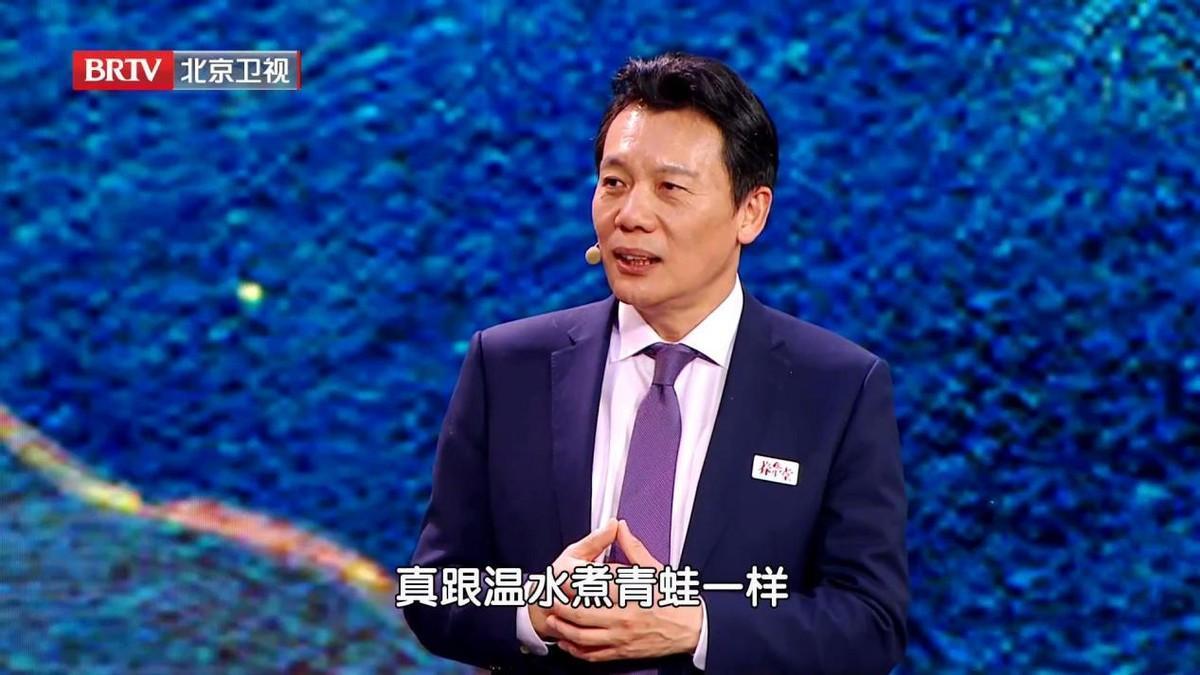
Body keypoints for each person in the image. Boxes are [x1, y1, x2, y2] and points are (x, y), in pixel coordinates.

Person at [404, 52, 908, 674]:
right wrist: (535, 612)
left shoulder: (837, 388)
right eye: (614, 183)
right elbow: (432, 589)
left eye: (670, 188)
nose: (631, 216)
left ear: (750, 212)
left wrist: (696, 626)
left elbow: (870, 623)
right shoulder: (508, 367)